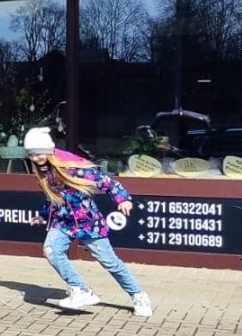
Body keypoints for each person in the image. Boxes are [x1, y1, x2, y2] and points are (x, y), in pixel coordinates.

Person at [24, 127, 152, 318]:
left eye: (39, 153)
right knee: (51, 250)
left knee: (110, 262)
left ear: (49, 150)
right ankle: (81, 290)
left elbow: (107, 181)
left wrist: (122, 199)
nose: (36, 158)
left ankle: (139, 295)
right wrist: (44, 215)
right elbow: (53, 197)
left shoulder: (72, 167)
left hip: (87, 222)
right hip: (63, 222)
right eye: (32, 155)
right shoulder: (42, 171)